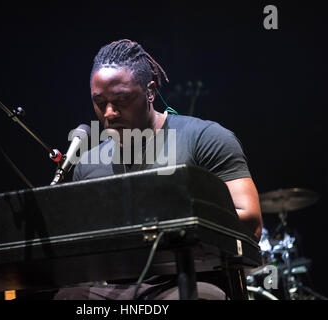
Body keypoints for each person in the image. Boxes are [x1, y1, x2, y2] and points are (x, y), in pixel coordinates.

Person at [54, 39, 262, 300]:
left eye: (121, 99)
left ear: (150, 92)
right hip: (119, 291)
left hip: (193, 281)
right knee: (68, 297)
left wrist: (172, 226)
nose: (109, 113)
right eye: (99, 102)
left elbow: (251, 222)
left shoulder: (206, 138)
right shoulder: (88, 165)